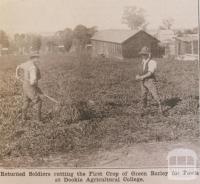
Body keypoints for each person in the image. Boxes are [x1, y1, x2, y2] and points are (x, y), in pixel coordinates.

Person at [136, 46, 163, 115]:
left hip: (150, 80)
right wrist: (138, 75)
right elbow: (140, 70)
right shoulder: (143, 61)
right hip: (143, 81)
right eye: (142, 54)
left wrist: (142, 77)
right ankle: (143, 108)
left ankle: (160, 107)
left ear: (149, 54)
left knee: (155, 94)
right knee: (143, 94)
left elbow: (150, 73)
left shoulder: (152, 62)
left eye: (145, 54)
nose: (143, 55)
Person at [16, 52, 42, 121]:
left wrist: (17, 76)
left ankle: (23, 118)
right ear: (33, 58)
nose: (38, 59)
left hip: (25, 85)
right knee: (38, 101)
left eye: (38, 57)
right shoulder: (33, 67)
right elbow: (33, 81)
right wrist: (36, 88)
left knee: (26, 101)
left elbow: (18, 67)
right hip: (30, 86)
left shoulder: (26, 64)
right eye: (36, 58)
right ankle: (38, 120)